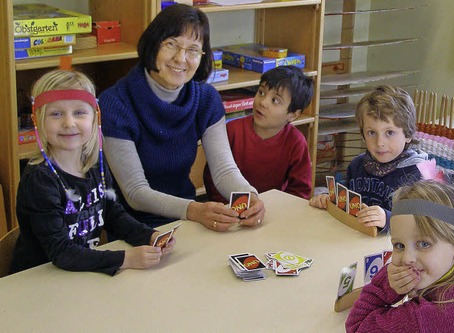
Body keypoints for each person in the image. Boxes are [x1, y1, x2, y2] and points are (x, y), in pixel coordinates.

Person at [98, 4, 265, 231]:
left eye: (193, 50)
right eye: (171, 44)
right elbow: (135, 192)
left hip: (185, 220)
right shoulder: (115, 103)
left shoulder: (206, 99)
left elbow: (224, 170)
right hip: (132, 227)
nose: (181, 58)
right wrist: (194, 210)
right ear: (153, 44)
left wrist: (250, 197)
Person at [11, 69, 175, 276]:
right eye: (56, 114)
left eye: (79, 112)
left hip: (82, 270)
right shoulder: (40, 180)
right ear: (38, 121)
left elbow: (112, 213)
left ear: (95, 118)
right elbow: (61, 253)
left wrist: (149, 236)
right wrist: (125, 259)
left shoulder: (95, 163)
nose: (69, 123)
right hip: (41, 279)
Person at [345, 180, 454, 332]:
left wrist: (387, 285)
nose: (406, 258)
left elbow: (357, 326)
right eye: (399, 245)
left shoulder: (426, 317)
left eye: (424, 244)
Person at [309, 85, 434, 233]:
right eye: (371, 133)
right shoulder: (357, 165)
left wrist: (388, 219)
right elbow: (345, 197)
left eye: (390, 133)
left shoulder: (419, 175)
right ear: (362, 135)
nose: (380, 142)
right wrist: (328, 198)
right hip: (354, 240)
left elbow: (425, 224)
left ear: (408, 135)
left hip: (395, 250)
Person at [203, 65, 314, 201]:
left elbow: (300, 191)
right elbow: (213, 179)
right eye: (261, 92)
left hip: (275, 210)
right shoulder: (232, 130)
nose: (263, 102)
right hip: (230, 209)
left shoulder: (296, 142)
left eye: (275, 100)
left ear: (292, 115)